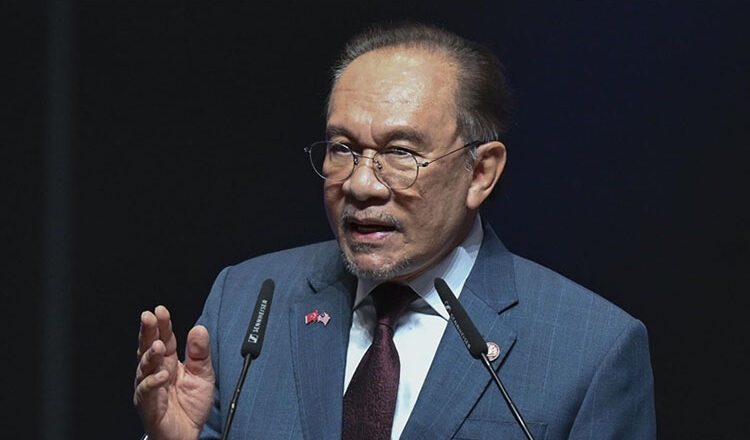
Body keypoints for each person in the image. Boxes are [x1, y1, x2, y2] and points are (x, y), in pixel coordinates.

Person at [134, 23, 656, 439]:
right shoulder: (247, 300)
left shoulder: (591, 350)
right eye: (343, 148)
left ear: (481, 172)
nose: (361, 184)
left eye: (400, 154)